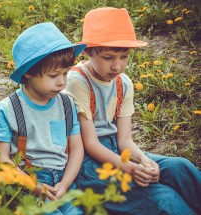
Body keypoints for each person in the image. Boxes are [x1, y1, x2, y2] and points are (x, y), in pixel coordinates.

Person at [63, 7, 201, 215]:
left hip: (119, 153)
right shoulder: (77, 83)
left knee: (181, 167)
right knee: (164, 197)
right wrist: (129, 168)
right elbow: (90, 144)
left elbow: (125, 141)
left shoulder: (123, 83)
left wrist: (145, 162)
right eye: (108, 57)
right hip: (88, 165)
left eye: (124, 56)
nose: (117, 66)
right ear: (88, 52)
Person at [0, 22, 86, 214]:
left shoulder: (66, 104)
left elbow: (76, 149)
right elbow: (1, 158)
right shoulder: (9, 109)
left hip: (63, 181)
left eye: (65, 73)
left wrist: (65, 184)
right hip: (26, 183)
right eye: (53, 75)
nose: (61, 82)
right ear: (28, 72)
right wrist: (32, 185)